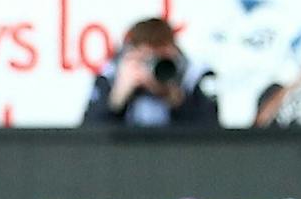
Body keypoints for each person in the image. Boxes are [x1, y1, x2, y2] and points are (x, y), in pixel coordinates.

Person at [81, 17, 217, 128]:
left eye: (160, 59)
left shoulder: (195, 76)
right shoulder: (110, 76)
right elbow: (87, 141)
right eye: (145, 59)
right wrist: (117, 98)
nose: (152, 68)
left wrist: (178, 100)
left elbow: (214, 138)